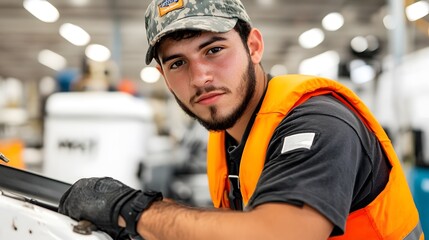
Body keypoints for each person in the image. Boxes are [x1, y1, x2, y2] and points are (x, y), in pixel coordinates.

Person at [58, 0, 424, 239]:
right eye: (178, 63)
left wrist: (135, 211)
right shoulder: (232, 133)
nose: (200, 77)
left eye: (214, 50)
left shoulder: (320, 122)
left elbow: (279, 234)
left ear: (254, 46)